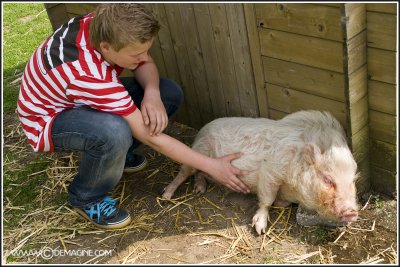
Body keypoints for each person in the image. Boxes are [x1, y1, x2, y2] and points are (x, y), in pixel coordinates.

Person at [17, 3, 250, 229]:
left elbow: (144, 64)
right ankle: (86, 197)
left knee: (167, 93)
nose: (145, 57)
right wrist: (211, 165)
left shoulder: (101, 24)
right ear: (106, 47)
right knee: (113, 132)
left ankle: (118, 157)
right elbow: (150, 137)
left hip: (77, 95)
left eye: (147, 49)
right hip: (47, 118)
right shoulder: (88, 75)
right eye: (137, 53)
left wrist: (152, 92)